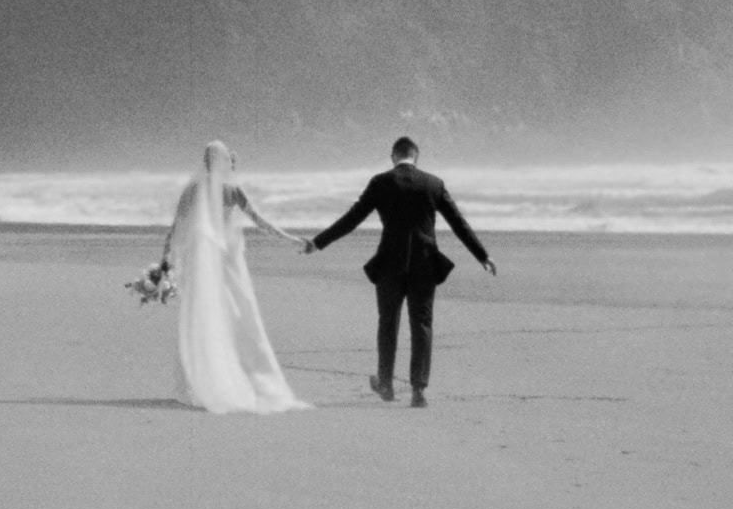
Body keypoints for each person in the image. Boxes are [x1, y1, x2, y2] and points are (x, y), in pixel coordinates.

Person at [304, 137, 495, 407]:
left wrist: (318, 242)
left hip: (390, 264)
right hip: (425, 265)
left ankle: (386, 385)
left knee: (388, 323)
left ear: (393, 157)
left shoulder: (380, 182)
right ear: (416, 156)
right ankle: (418, 391)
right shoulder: (434, 184)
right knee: (422, 325)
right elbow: (458, 224)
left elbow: (352, 219)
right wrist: (483, 256)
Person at [157, 140, 311, 414]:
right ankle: (240, 379)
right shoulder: (232, 190)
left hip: (202, 265)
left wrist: (165, 262)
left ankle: (195, 382)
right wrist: (290, 239)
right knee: (237, 318)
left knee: (200, 319)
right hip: (229, 265)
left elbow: (176, 227)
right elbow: (261, 222)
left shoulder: (193, 189)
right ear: (226, 161)